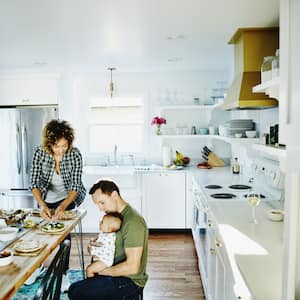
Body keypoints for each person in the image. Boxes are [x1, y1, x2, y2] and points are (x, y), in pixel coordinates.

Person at [29, 119, 86, 292]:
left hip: (68, 198)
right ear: (49, 144)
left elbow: (75, 186)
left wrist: (62, 207)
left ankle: (63, 273)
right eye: (57, 146)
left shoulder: (74, 154)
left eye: (64, 146)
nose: (61, 150)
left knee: (64, 235)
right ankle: (37, 268)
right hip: (45, 198)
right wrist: (42, 205)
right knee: (39, 231)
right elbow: (34, 183)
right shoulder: (39, 153)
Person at [68, 179, 148, 300]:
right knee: (74, 289)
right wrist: (94, 247)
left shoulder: (133, 222)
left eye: (102, 203)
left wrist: (99, 272)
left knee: (77, 292)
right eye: (98, 204)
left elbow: (132, 267)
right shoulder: (114, 217)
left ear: (114, 195)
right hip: (115, 272)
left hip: (130, 282)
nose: (100, 208)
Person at [86, 212, 122, 278]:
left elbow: (101, 245)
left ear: (108, 228)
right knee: (92, 265)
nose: (100, 222)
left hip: (105, 261)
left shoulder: (110, 238)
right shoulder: (105, 232)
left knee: (89, 269)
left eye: (102, 222)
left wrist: (93, 244)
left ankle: (90, 284)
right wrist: (95, 240)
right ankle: (93, 280)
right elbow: (99, 238)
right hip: (101, 257)